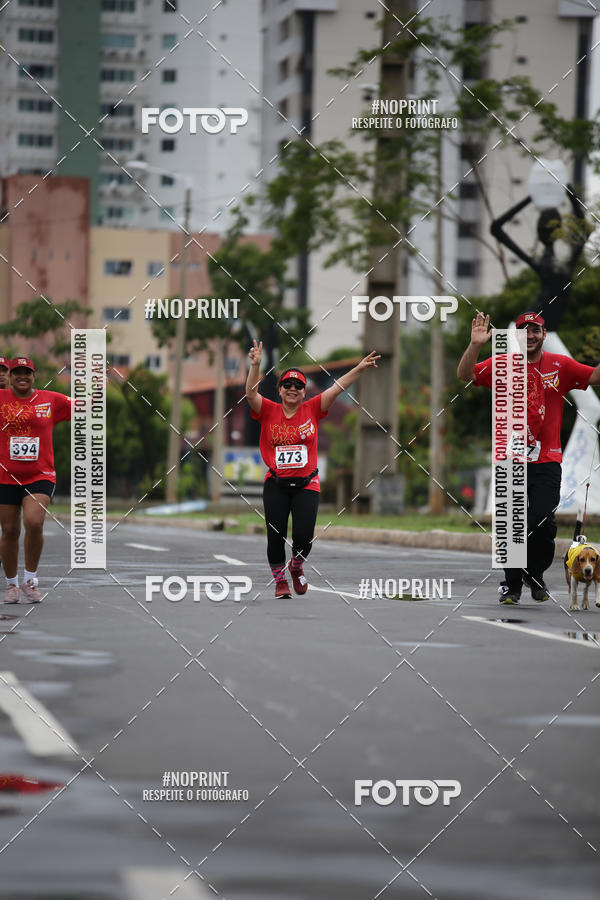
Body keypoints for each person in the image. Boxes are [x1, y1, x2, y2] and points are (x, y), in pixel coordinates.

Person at [457, 311, 600, 605]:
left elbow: (594, 377)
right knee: (512, 525)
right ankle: (512, 586)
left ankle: (534, 574)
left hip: (547, 461)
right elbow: (465, 375)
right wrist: (475, 344)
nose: (530, 335)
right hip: (511, 460)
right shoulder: (502, 365)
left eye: (536, 330)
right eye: (525, 330)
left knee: (543, 523)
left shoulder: (560, 365)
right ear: (517, 336)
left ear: (544, 335)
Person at [246, 341, 380, 598]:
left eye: (298, 386)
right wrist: (255, 366)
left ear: (304, 392)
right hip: (276, 485)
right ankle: (280, 581)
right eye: (287, 385)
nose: (292, 389)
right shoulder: (268, 410)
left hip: (307, 484)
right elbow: (251, 394)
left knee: (304, 536)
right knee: (275, 536)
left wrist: (360, 368)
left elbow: (338, 387)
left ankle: (296, 566)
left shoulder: (313, 408)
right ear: (279, 390)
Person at [0, 357, 72, 604]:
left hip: (39, 475)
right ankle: (11, 584)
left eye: (27, 372)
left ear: (34, 376)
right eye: (17, 372)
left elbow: (84, 406)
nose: (22, 376)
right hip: (5, 476)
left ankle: (30, 580)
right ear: (10, 377)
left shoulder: (51, 399)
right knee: (10, 530)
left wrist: (98, 387)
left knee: (34, 521)